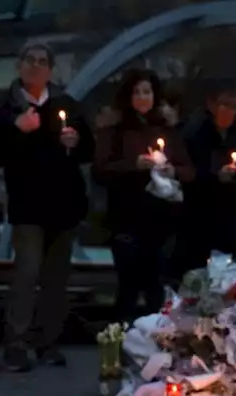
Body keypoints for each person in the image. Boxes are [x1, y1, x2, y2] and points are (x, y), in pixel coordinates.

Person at [0, 40, 94, 372]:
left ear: (50, 69)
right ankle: (15, 343)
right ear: (19, 66)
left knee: (55, 278)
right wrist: (17, 132)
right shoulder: (6, 109)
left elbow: (88, 150)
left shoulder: (67, 105)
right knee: (26, 273)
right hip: (28, 204)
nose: (35, 66)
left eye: (42, 61)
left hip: (63, 204)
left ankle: (48, 342)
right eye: (29, 60)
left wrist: (76, 143)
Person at [92, 69, 193, 320]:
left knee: (156, 286)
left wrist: (172, 170)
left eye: (146, 92)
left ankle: (154, 344)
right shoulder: (115, 130)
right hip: (125, 217)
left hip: (160, 219)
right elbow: (100, 170)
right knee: (128, 285)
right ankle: (121, 343)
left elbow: (189, 170)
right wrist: (132, 165)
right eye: (136, 92)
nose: (142, 97)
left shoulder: (166, 129)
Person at [174, 79, 236, 277]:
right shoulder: (194, 134)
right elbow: (187, 175)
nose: (229, 111)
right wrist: (214, 178)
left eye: (234, 105)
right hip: (200, 225)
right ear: (211, 105)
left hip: (233, 223)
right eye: (224, 105)